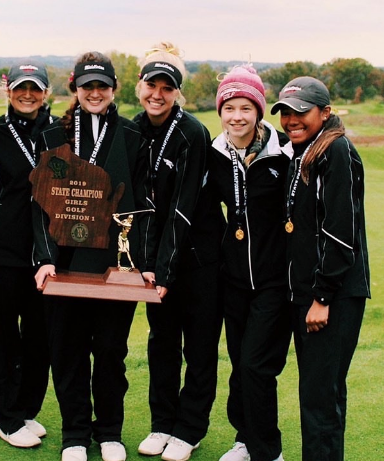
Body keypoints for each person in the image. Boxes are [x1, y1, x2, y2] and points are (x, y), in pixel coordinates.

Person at [34, 52, 147, 461]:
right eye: (87, 86)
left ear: (114, 89)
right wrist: (44, 258)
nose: (95, 93)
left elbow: (141, 206)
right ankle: (75, 435)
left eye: (102, 86)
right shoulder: (51, 136)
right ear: (75, 89)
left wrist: (140, 262)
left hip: (112, 267)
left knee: (112, 353)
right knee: (68, 351)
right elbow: (39, 204)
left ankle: (110, 433)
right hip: (64, 264)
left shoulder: (132, 137)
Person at [271, 76, 370, 461]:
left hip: (334, 296)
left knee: (320, 397)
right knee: (318, 393)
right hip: (311, 294)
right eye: (286, 113)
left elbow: (341, 232)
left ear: (325, 112)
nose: (292, 120)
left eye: (301, 112)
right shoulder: (304, 150)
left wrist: (322, 297)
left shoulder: (336, 150)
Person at [134, 42, 224, 461]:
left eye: (166, 87)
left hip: (200, 260)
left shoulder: (192, 133)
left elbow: (183, 211)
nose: (157, 93)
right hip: (158, 264)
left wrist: (164, 272)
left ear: (177, 92)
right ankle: (161, 424)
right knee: (162, 344)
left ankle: (189, 430)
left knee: (200, 347)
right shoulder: (133, 129)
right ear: (139, 87)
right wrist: (148, 266)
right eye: (151, 85)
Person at [209, 65, 292, 461]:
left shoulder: (283, 152)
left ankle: (267, 451)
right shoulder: (216, 153)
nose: (236, 116)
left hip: (274, 281)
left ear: (259, 110)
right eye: (229, 108)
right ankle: (244, 439)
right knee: (240, 364)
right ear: (220, 110)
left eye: (245, 107)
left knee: (258, 367)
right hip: (235, 280)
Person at [0, 61, 55, 448]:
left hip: (46, 256)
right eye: (21, 88)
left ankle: (25, 411)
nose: (28, 96)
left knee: (40, 338)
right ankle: (6, 419)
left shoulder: (59, 132)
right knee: (2, 339)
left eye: (36, 89)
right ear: (8, 91)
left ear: (46, 93)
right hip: (2, 254)